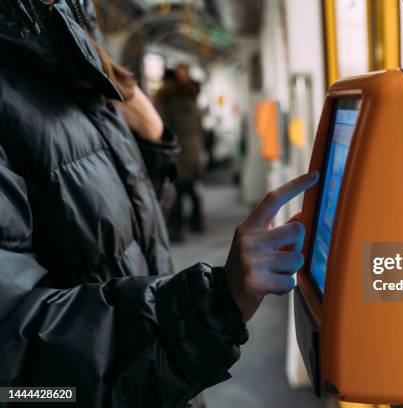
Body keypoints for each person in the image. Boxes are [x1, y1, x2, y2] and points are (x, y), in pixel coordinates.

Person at [0, 1, 318, 407]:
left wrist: (153, 149)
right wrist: (211, 307)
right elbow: (17, 376)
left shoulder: (78, 59)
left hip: (155, 378)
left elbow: (122, 231)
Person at [155, 65, 206, 241]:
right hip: (193, 148)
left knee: (175, 189)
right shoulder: (191, 97)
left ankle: (177, 229)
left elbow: (162, 126)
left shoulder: (167, 100)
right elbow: (199, 125)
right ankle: (197, 221)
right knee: (191, 186)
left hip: (177, 149)